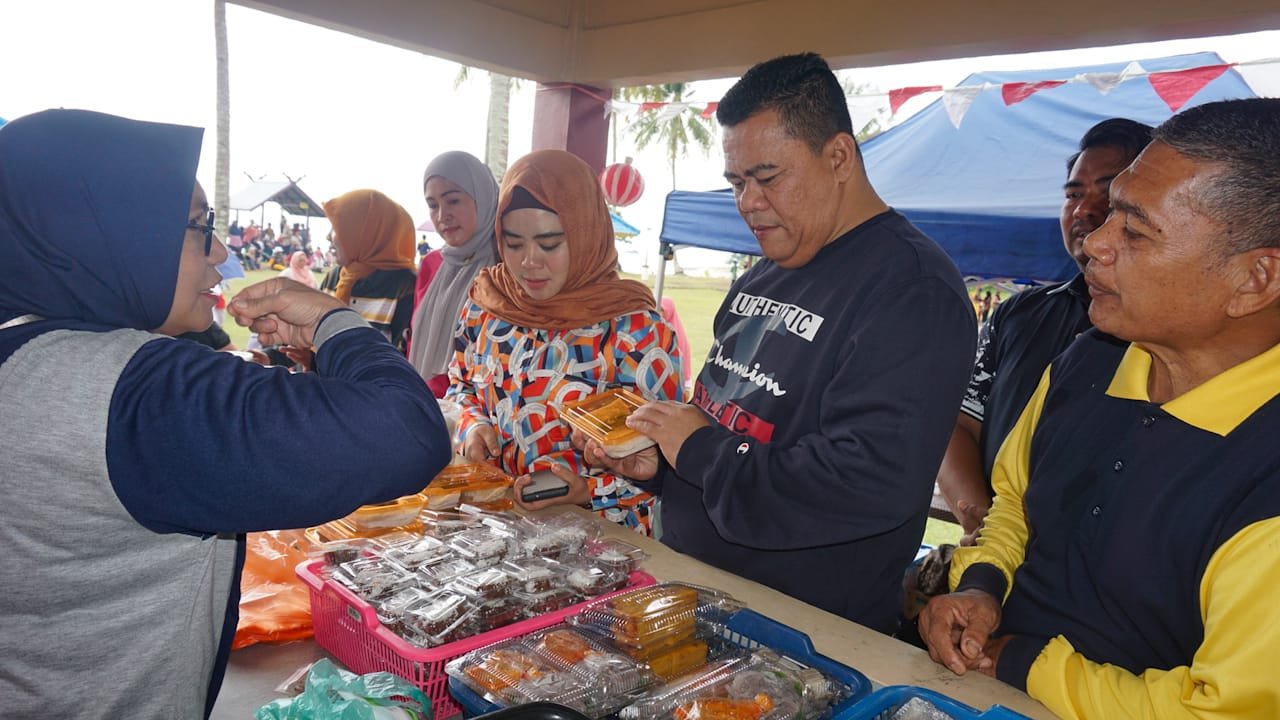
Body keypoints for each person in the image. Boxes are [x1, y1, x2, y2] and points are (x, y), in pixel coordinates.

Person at [0, 109, 451, 717]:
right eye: (195, 226)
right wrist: (329, 321)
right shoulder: (138, 391)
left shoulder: (29, 350)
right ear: (103, 229)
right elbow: (404, 430)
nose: (219, 251)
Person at [583, 53, 975, 632]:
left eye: (767, 178)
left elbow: (863, 482)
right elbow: (727, 422)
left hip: (799, 631)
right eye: (737, 182)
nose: (747, 202)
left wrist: (698, 453)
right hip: (696, 593)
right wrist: (664, 463)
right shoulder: (763, 272)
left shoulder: (911, 290)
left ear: (838, 156)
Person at [919, 98, 1280, 718]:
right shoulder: (1087, 361)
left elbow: (1221, 710)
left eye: (1134, 230)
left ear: (1254, 281)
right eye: (1109, 215)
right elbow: (1015, 505)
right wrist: (981, 587)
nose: (1094, 244)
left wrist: (1019, 660)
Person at [937, 119, 1153, 542]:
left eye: (1108, 194)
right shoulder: (1021, 313)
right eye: (1074, 194)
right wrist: (987, 529)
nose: (1084, 210)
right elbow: (959, 424)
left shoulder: (1175, 328)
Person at [448, 149, 683, 535]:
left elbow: (666, 465)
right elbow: (461, 386)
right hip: (489, 529)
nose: (529, 262)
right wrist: (472, 425)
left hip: (595, 543)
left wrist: (588, 491)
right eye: (514, 243)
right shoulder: (486, 306)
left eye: (549, 243)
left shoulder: (635, 331)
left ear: (585, 232)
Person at [408, 151, 499, 397]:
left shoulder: (506, 265)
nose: (442, 216)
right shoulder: (432, 264)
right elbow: (413, 341)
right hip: (423, 407)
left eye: (453, 201)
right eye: (432, 205)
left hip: (479, 420)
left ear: (482, 196)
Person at [323, 189, 419, 353]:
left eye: (336, 228)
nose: (328, 237)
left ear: (362, 233)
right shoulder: (336, 277)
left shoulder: (404, 286)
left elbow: (398, 360)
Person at [659, 296, 693, 397]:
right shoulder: (657, 329)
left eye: (662, 310)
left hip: (676, 379)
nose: (658, 313)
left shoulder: (674, 334)